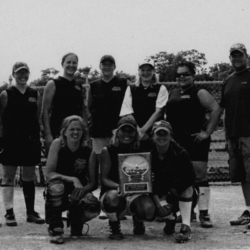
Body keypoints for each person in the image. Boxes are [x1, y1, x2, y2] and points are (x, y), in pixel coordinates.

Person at [165, 61, 221, 228]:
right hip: (176, 142)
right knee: (178, 177)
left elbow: (216, 109)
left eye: (186, 74)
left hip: (195, 140)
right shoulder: (172, 92)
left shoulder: (200, 92)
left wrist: (207, 132)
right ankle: (186, 212)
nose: (182, 77)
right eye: (179, 75)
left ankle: (204, 213)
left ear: (193, 75)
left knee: (199, 176)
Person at [0, 62, 45, 226]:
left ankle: (31, 212)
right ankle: (9, 213)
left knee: (28, 177)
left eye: (25, 73)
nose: (22, 76)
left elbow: (38, 116)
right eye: (19, 73)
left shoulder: (35, 93)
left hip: (29, 140)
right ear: (13, 74)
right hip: (11, 140)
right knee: (8, 177)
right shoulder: (6, 94)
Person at [45, 115, 100, 244]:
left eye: (79, 130)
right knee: (56, 187)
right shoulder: (57, 144)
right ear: (64, 131)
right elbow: (49, 173)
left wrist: (80, 192)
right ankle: (55, 225)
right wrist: (73, 179)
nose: (75, 132)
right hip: (59, 189)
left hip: (78, 190)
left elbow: (93, 183)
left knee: (93, 204)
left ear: (83, 132)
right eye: (72, 129)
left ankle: (76, 219)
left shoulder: (89, 152)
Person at [100, 116, 156, 239]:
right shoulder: (108, 150)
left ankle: (138, 219)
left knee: (149, 210)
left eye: (130, 131)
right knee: (112, 198)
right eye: (123, 130)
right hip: (115, 191)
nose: (127, 134)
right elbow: (104, 179)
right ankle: (114, 225)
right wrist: (119, 186)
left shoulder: (142, 150)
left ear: (135, 133)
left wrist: (148, 179)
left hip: (136, 191)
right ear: (117, 132)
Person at [88, 55, 128, 219]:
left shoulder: (122, 83)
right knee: (102, 168)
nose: (106, 67)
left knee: (117, 168)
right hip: (98, 132)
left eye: (109, 64)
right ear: (100, 66)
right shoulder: (94, 85)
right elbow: (89, 107)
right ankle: (105, 204)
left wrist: (118, 129)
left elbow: (127, 106)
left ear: (114, 66)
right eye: (104, 64)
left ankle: (120, 204)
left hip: (117, 132)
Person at [150, 120, 197, 243]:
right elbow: (146, 180)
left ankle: (185, 227)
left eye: (165, 134)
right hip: (156, 194)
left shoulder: (180, 152)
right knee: (145, 208)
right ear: (152, 136)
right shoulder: (146, 153)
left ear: (171, 136)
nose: (161, 137)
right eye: (158, 134)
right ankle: (170, 218)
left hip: (176, 194)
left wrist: (171, 199)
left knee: (188, 188)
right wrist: (158, 203)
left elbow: (190, 178)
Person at [220, 43, 250, 227]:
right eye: (233, 55)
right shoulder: (228, 80)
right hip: (233, 135)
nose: (236, 58)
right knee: (242, 175)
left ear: (246, 56)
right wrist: (225, 135)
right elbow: (224, 109)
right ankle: (248, 210)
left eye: (240, 55)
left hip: (249, 133)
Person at [42, 52, 89, 151]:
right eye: (68, 62)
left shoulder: (79, 85)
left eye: (74, 63)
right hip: (58, 132)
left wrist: (85, 132)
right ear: (62, 64)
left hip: (75, 133)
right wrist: (48, 134)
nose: (71, 65)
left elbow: (82, 110)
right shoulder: (53, 84)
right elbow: (45, 111)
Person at [120, 59, 168, 151]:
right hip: (135, 133)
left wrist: (143, 130)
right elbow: (128, 112)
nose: (145, 73)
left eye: (149, 70)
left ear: (153, 72)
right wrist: (138, 131)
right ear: (139, 72)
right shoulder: (131, 88)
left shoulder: (161, 88)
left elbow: (158, 112)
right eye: (143, 70)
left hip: (155, 134)